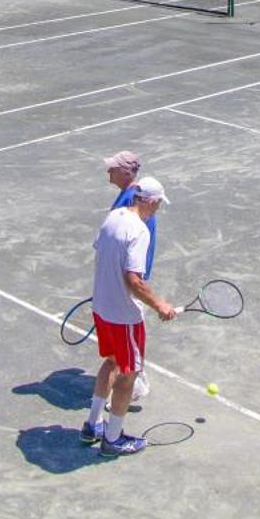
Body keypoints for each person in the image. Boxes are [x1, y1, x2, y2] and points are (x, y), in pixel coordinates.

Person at [81, 177, 176, 456]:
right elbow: (133, 280)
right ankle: (112, 439)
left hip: (101, 307)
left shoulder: (113, 217)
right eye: (158, 202)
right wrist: (159, 305)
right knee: (127, 375)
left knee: (110, 362)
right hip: (123, 316)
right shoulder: (140, 230)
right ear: (149, 200)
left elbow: (100, 251)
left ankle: (92, 425)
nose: (158, 207)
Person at [104, 150, 158, 402]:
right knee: (121, 351)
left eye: (112, 168)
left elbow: (121, 244)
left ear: (126, 172)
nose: (108, 172)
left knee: (126, 349)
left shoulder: (131, 201)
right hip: (126, 279)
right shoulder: (135, 197)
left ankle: (131, 384)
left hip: (129, 281)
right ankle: (132, 379)